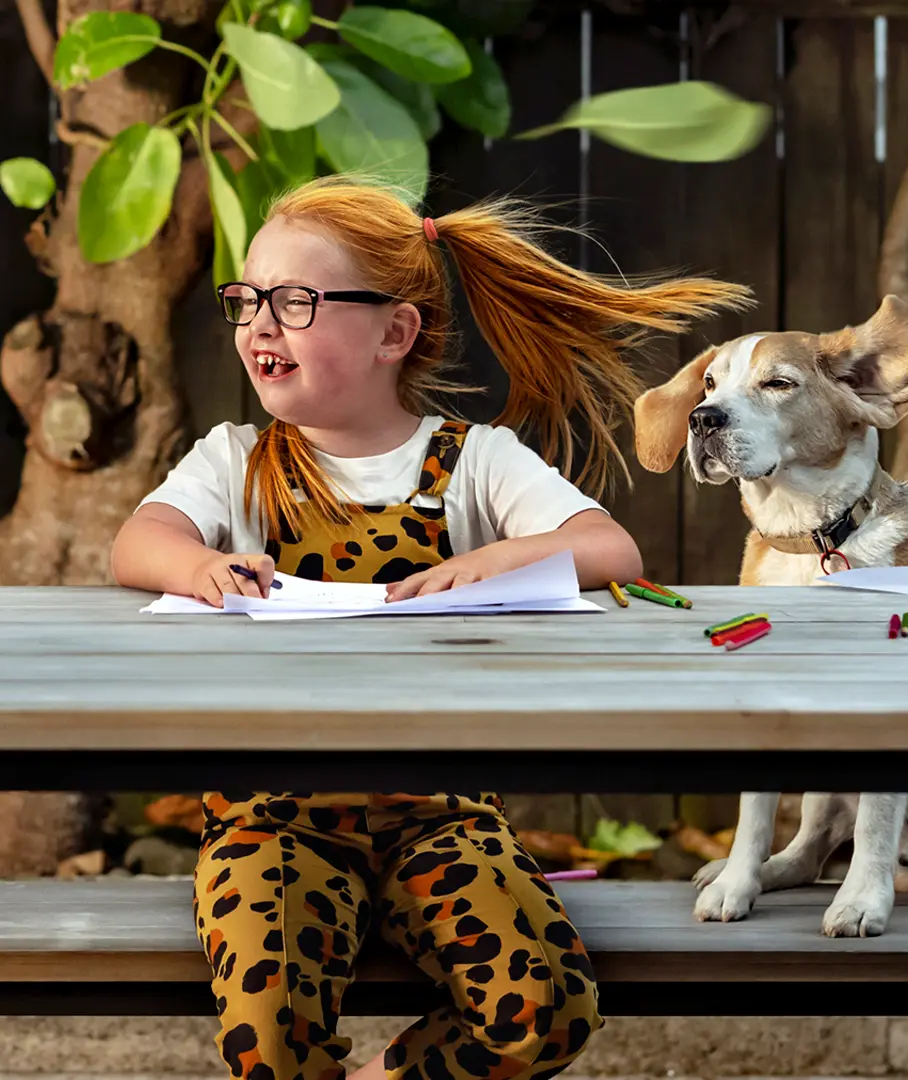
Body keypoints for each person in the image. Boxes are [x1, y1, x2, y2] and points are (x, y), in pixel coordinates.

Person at [111, 175, 750, 1080]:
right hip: (272, 821)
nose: (258, 324)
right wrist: (202, 567)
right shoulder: (234, 461)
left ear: (394, 332)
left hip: (441, 816)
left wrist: (496, 559)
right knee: (268, 1036)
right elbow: (140, 541)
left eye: (294, 302)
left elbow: (611, 548)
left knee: (548, 1010)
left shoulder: (474, 461)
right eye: (247, 300)